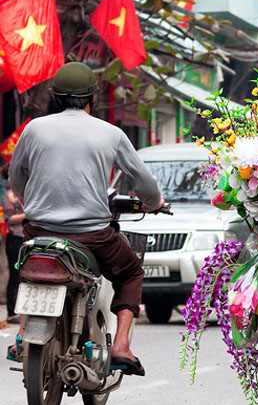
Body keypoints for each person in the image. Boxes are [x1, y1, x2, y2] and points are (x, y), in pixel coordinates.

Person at [8, 62, 163, 375]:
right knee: (131, 270)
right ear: (94, 97)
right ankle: (120, 345)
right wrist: (154, 203)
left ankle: (23, 335)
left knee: (29, 271)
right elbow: (145, 184)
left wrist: (32, 198)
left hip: (38, 232)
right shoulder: (111, 133)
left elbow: (16, 178)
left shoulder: (34, 129)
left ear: (53, 95)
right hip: (92, 237)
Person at [3, 181, 25, 324]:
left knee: (23, 276)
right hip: (14, 239)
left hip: (25, 238)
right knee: (14, 275)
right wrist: (27, 214)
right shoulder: (8, 197)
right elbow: (9, 219)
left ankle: (20, 310)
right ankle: (11, 312)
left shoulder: (26, 196)